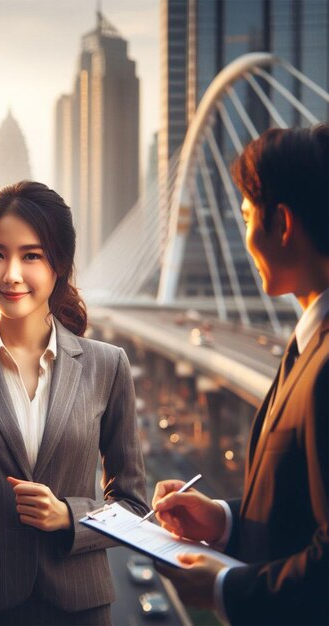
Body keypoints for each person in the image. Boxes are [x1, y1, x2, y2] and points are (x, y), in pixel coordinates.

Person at [0, 180, 148, 625]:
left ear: (59, 264)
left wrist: (69, 516)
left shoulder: (108, 366)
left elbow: (134, 506)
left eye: (32, 256)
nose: (11, 274)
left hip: (79, 607)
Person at [151, 124, 328, 626]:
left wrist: (227, 585)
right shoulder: (306, 345)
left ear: (283, 223)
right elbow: (299, 518)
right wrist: (224, 522)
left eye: (248, 217)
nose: (245, 236)